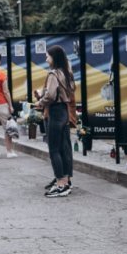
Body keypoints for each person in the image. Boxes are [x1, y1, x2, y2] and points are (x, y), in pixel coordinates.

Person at [35, 46, 76, 197]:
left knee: (54, 149)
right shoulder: (67, 72)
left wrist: (41, 101)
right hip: (64, 110)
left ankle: (60, 184)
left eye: (48, 56)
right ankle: (66, 181)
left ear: (54, 57)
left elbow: (51, 95)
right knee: (64, 147)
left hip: (55, 111)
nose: (46, 59)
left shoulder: (53, 74)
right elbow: (72, 90)